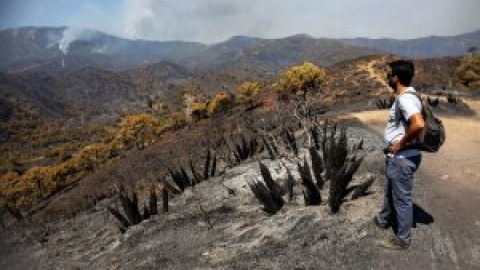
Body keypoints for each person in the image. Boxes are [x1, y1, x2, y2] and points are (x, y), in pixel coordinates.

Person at [374, 59, 425, 249]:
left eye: (389, 75)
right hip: (399, 157)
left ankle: (403, 240)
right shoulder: (409, 96)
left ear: (396, 78)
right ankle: (383, 219)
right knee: (390, 190)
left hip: (402, 158)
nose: (388, 78)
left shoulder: (405, 99)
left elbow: (418, 124)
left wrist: (400, 145)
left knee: (402, 199)